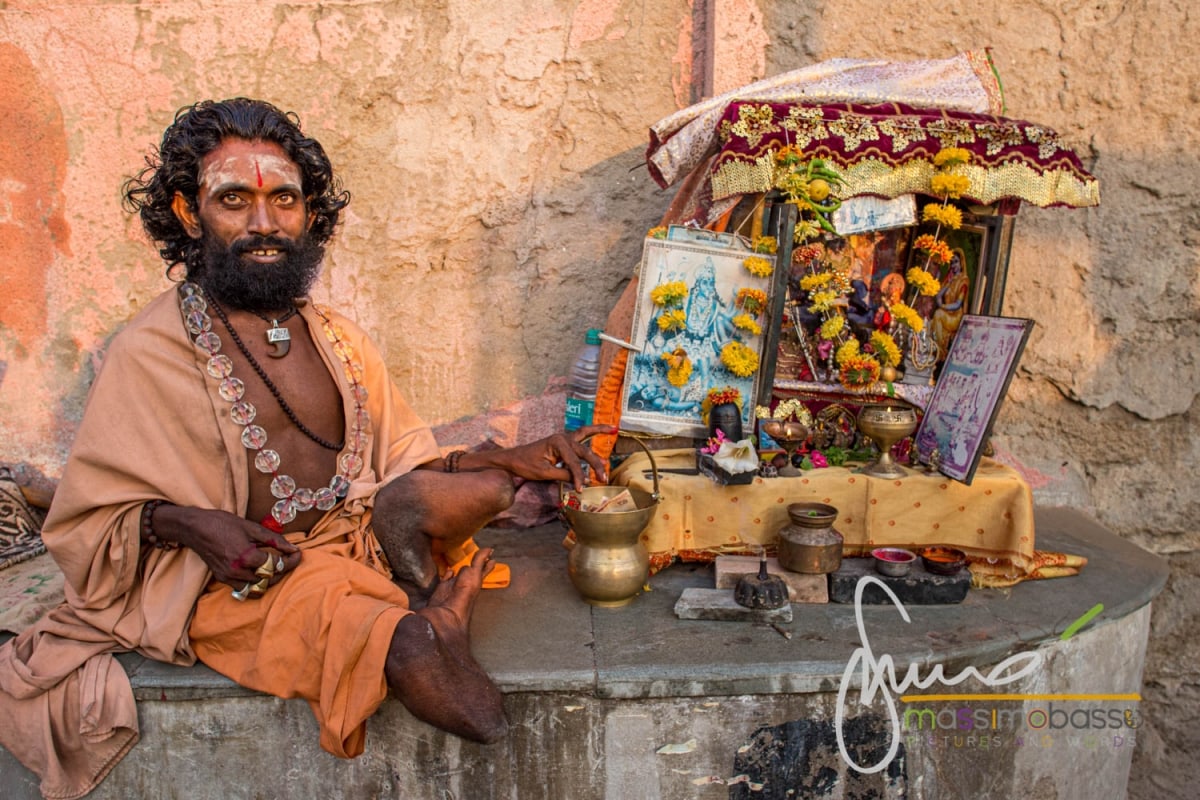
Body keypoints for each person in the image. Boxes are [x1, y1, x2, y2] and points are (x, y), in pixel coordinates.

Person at [0, 98, 610, 799]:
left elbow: (399, 457)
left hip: (350, 533)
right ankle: (440, 618)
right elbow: (84, 525)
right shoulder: (150, 352)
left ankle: (408, 576)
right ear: (189, 212)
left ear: (309, 213)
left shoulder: (339, 338)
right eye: (234, 199)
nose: (264, 224)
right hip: (244, 582)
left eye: (283, 199)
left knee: (484, 489)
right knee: (434, 670)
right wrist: (190, 523)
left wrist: (509, 455)